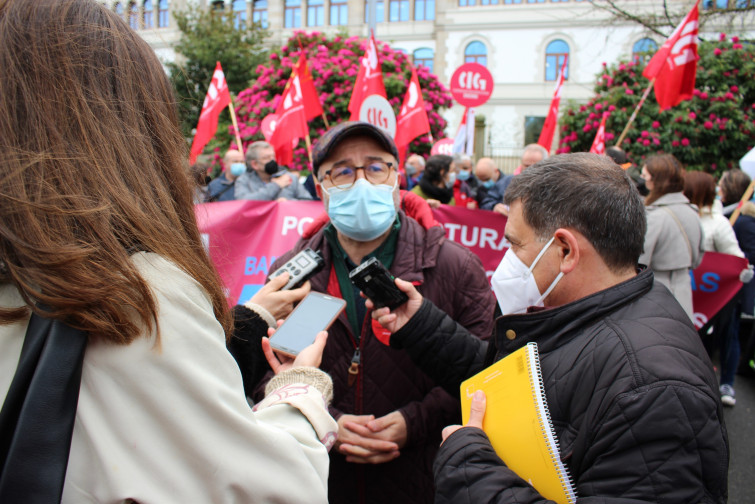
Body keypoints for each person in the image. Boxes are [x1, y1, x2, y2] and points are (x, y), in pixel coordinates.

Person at [0, 1, 336, 502]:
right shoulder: (137, 293)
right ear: (131, 128)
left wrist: (249, 316)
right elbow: (274, 489)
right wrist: (301, 390)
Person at [370, 153, 728, 503]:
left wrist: (468, 466)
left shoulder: (651, 387)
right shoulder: (588, 314)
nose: (507, 258)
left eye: (514, 243)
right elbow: (516, 383)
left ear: (566, 250)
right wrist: (420, 323)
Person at [260, 121, 496, 504]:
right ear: (320, 190)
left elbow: (487, 373)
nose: (362, 182)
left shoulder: (455, 267)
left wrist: (414, 422)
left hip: (426, 477)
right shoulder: (290, 273)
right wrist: (324, 417)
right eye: (342, 171)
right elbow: (263, 374)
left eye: (375, 167)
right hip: (322, 482)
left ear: (396, 180)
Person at [684, 170, 749, 407]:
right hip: (688, 294)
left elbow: (736, 258)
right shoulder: (682, 216)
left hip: (714, 296)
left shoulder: (719, 223)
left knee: (726, 335)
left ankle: (726, 383)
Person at [638, 154, 703, 322]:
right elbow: (697, 258)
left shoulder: (655, 216)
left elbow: (640, 261)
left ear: (654, 180)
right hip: (683, 290)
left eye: (644, 176)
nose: (642, 181)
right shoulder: (693, 212)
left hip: (655, 292)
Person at [234, 140, 313, 201]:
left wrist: (290, 203)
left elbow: (307, 201)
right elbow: (243, 203)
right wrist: (275, 186)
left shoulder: (290, 178)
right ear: (255, 164)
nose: (272, 161)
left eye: (273, 157)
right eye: (266, 158)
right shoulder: (244, 181)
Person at [481, 144, 547, 214]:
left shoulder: (551, 187)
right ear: (521, 163)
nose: (530, 169)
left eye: (535, 166)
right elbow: (485, 203)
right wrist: (494, 206)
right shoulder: (506, 182)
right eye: (526, 165)